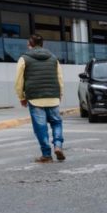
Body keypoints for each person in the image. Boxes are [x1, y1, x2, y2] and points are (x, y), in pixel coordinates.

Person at [14, 34, 66, 163]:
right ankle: (58, 146)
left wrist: (21, 96)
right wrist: (59, 94)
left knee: (40, 127)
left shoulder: (24, 58)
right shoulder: (54, 58)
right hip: (53, 97)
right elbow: (60, 78)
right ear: (43, 44)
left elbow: (18, 81)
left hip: (35, 98)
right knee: (56, 122)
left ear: (29, 45)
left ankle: (46, 155)